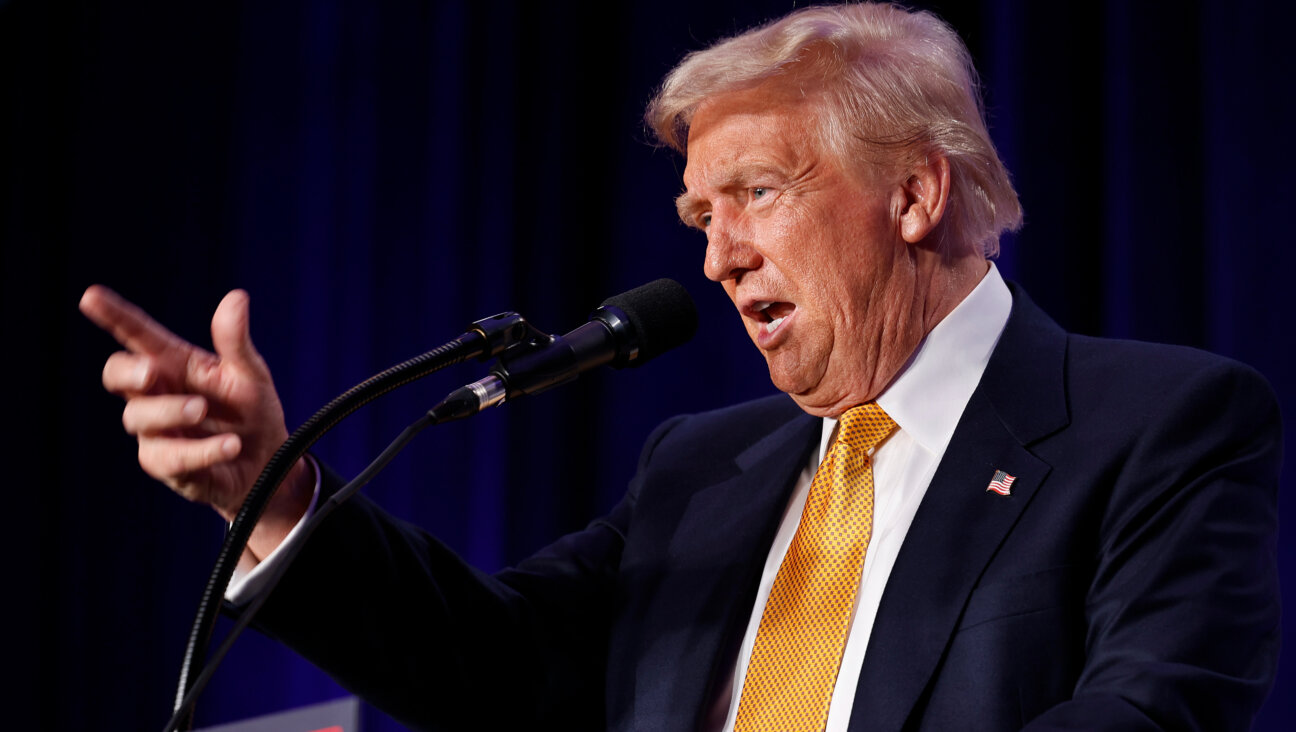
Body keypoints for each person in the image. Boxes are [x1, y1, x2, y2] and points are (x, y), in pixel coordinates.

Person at [81, 4, 1280, 731]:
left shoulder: (1157, 424)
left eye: (759, 194)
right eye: (699, 215)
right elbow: (493, 670)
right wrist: (277, 495)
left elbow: (1148, 714)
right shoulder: (704, 470)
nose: (717, 258)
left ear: (917, 193)